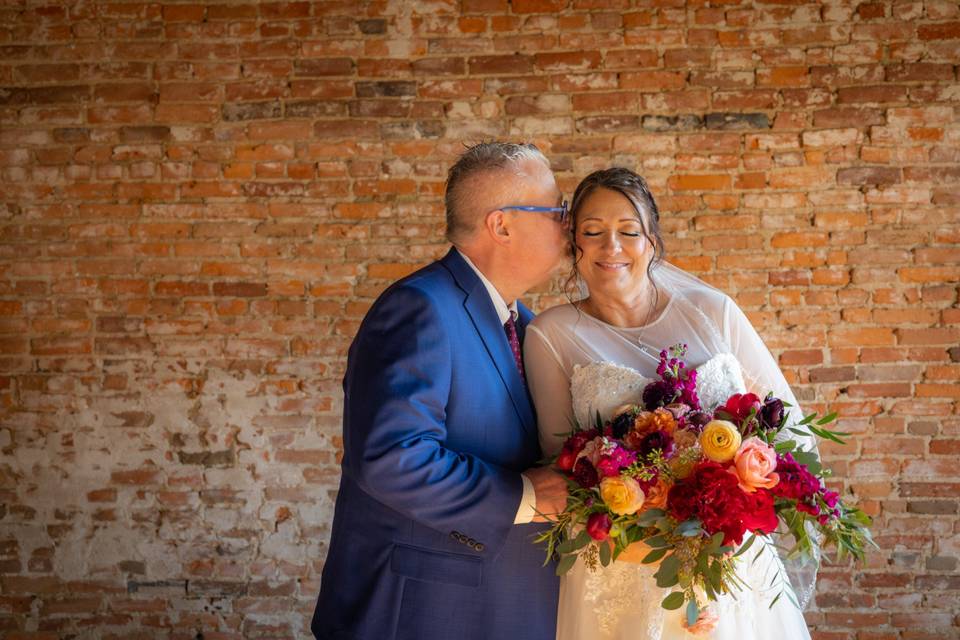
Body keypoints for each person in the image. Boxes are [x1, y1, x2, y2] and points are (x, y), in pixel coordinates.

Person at [523, 167, 819, 640]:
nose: (611, 247)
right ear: (572, 244)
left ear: (652, 241)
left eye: (629, 232)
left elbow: (787, 433)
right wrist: (656, 545)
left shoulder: (713, 310)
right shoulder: (550, 334)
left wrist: (729, 518)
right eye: (592, 233)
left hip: (729, 559)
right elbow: (562, 466)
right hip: (623, 565)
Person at [311, 142, 570, 640]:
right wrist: (524, 496)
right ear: (502, 225)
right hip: (421, 612)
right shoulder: (418, 308)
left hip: (502, 605)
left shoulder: (531, 328)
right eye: (555, 208)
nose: (566, 222)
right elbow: (392, 458)